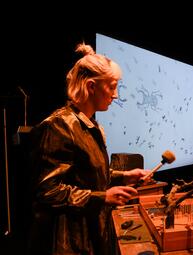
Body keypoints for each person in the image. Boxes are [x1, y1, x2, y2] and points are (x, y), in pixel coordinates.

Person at [27, 43, 150, 255]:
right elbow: (47, 191)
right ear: (91, 86)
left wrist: (124, 176)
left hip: (93, 233)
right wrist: (102, 198)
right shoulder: (59, 125)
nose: (115, 95)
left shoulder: (89, 125)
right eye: (112, 87)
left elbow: (86, 175)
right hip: (70, 242)